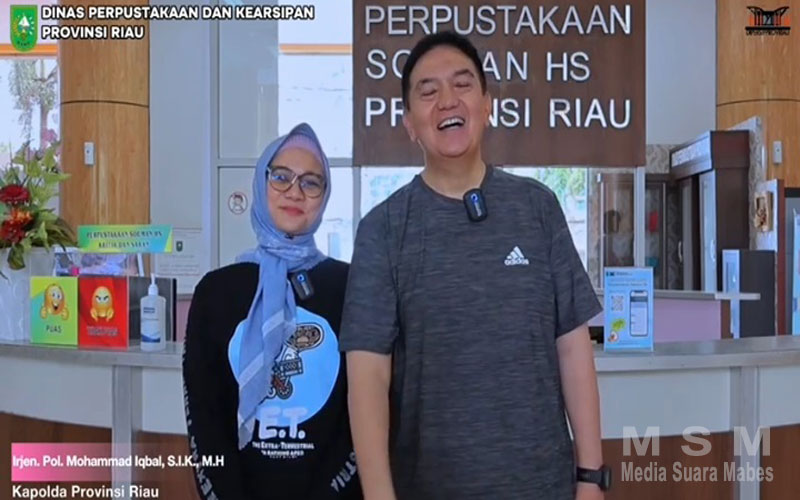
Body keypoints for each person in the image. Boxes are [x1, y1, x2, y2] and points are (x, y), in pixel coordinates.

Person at [340, 32, 608, 499]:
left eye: (462, 85)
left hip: (543, 486)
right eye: (428, 91)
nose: (448, 100)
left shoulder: (537, 207)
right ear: (409, 124)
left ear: (487, 106)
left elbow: (572, 347)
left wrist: (590, 478)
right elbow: (367, 377)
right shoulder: (383, 229)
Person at [183, 123, 361, 500]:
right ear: (261, 183)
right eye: (281, 177)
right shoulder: (216, 292)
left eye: (311, 182)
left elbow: (362, 413)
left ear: (325, 196)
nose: (295, 191)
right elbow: (205, 416)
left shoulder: (352, 287)